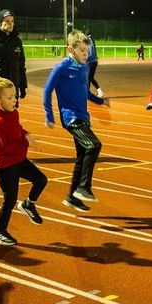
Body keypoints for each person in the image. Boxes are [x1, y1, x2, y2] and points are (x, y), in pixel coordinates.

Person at [43, 29, 110, 211]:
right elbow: (47, 90)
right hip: (70, 117)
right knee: (94, 145)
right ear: (71, 49)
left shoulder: (84, 67)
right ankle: (84, 187)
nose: (85, 54)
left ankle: (72, 198)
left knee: (82, 158)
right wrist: (49, 115)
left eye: (87, 51)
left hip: (83, 117)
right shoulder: (61, 67)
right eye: (82, 51)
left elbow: (84, 91)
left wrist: (99, 100)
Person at [0, 77, 48, 245]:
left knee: (41, 180)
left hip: (19, 160)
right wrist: (24, 142)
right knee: (10, 199)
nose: (14, 100)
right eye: (10, 97)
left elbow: (18, 129)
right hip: (5, 166)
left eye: (15, 95)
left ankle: (28, 204)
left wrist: (26, 134)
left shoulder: (13, 112)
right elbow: (2, 149)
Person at [85, 30, 105, 98]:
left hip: (91, 62)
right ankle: (96, 92)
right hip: (94, 62)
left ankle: (91, 93)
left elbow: (90, 52)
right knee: (89, 78)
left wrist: (85, 59)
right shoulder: (92, 39)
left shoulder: (89, 40)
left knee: (89, 78)